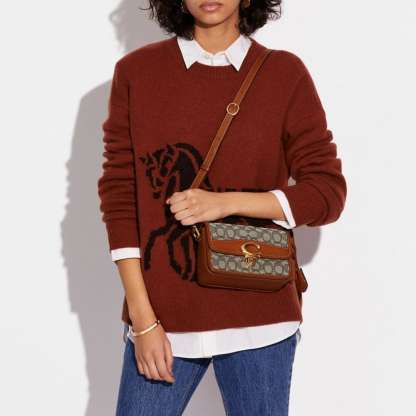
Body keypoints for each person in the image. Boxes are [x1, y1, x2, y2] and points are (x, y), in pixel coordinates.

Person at [97, 1, 347, 415]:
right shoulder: (136, 73)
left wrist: (224, 203)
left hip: (261, 317)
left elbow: (327, 192)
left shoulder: (283, 74)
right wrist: (142, 320)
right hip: (163, 316)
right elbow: (119, 196)